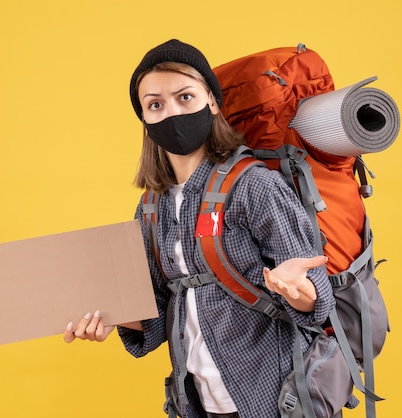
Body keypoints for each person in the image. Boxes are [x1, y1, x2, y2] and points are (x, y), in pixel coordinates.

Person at [64, 39, 335, 418]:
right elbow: (157, 315)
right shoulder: (150, 208)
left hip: (275, 399)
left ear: (211, 101)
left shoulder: (255, 186)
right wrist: (107, 313)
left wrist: (298, 288)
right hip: (197, 403)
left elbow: (318, 301)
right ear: (144, 120)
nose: (171, 111)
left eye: (185, 97)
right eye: (155, 104)